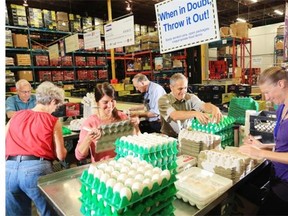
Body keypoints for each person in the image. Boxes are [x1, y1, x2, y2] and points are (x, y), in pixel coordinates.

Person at [5, 81, 67, 216]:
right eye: (56, 105)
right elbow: (61, 156)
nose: (55, 109)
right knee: (49, 212)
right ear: (52, 101)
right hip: (35, 170)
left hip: (8, 170)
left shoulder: (16, 116)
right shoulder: (52, 120)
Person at [239, 66, 288, 215]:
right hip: (277, 176)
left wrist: (260, 153)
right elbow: (283, 144)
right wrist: (262, 146)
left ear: (281, 84)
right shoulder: (282, 108)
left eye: (267, 92)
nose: (266, 98)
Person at [75, 82, 141, 162]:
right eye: (105, 102)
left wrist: (136, 126)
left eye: (112, 101)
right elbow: (79, 156)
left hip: (124, 165)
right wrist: (89, 138)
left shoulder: (123, 117)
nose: (110, 105)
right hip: (103, 169)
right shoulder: (90, 123)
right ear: (97, 103)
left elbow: (137, 142)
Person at [158, 73, 222, 138]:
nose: (183, 92)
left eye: (185, 88)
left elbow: (203, 105)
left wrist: (214, 108)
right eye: (180, 89)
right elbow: (174, 115)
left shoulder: (190, 97)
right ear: (171, 87)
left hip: (187, 136)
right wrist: (195, 113)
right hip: (169, 138)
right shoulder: (163, 100)